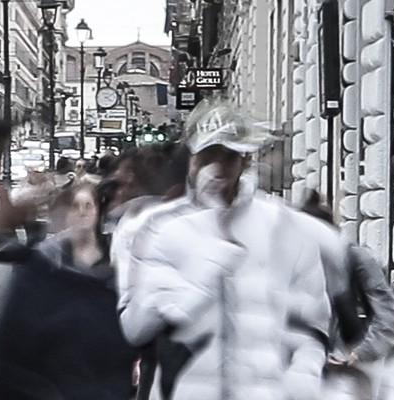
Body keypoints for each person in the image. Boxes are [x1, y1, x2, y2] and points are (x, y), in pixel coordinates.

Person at [113, 124, 347, 400]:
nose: (217, 167)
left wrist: (304, 374)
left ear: (245, 160)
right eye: (207, 155)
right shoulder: (161, 229)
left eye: (228, 156)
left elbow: (313, 323)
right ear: (191, 159)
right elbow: (135, 329)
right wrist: (193, 285)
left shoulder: (284, 229)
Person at [0, 175, 133, 400]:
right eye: (76, 206)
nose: (83, 212)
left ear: (98, 211)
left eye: (89, 205)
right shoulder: (46, 257)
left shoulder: (115, 258)